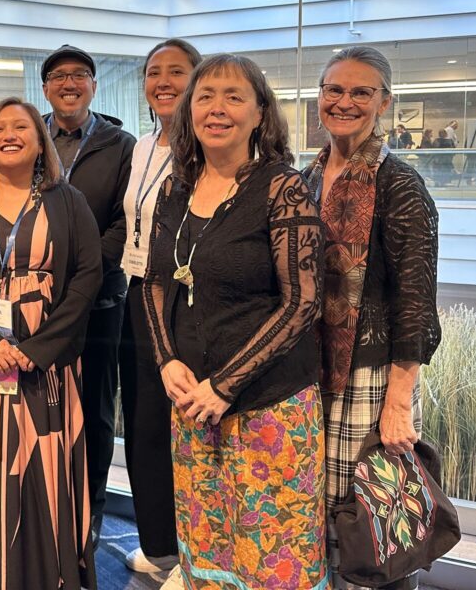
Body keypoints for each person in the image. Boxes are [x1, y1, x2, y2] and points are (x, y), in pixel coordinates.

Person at [143, 54, 326, 590]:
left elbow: (302, 304)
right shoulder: (177, 187)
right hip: (194, 406)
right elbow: (155, 282)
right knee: (209, 552)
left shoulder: (282, 188)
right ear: (188, 112)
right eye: (205, 96)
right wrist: (165, 360)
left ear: (259, 114)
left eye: (233, 97)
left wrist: (225, 384)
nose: (216, 109)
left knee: (272, 562)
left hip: (269, 409)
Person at [0, 97, 102, 590]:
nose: (9, 134)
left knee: (45, 468)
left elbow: (88, 279)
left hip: (47, 366)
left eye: (21, 126)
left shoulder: (68, 200)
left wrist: (40, 348)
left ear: (39, 138)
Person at [304, 46, 442, 590]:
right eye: (333, 89)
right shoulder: (305, 177)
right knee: (319, 522)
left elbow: (416, 302)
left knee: (372, 526)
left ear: (385, 102)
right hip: (308, 373)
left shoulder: (399, 185)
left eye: (361, 91)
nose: (344, 101)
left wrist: (399, 404)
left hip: (373, 375)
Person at [40, 44, 135, 541]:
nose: (69, 83)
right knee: (41, 403)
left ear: (94, 86)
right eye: (58, 76)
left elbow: (127, 219)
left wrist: (83, 275)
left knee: (96, 409)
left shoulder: (122, 145)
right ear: (46, 88)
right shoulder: (29, 137)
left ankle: (90, 509)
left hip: (99, 300)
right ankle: (46, 500)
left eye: (79, 75)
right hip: (35, 303)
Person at [119, 38, 201, 574]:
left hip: (186, 295)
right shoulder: (143, 146)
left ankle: (198, 556)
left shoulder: (209, 145)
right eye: (154, 72)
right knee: (144, 423)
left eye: (178, 71)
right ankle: (160, 548)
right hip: (134, 288)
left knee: (187, 424)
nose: (164, 81)